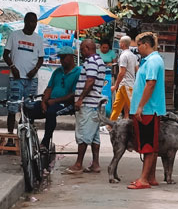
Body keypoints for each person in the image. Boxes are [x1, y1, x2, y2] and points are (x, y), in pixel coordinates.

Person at [128, 31, 168, 190]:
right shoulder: (150, 60)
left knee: (148, 145)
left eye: (138, 45)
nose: (137, 48)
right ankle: (150, 177)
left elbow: (150, 84)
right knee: (148, 144)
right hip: (147, 109)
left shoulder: (153, 61)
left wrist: (140, 107)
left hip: (148, 110)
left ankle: (144, 179)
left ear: (145, 45)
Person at [4, 11, 45, 146]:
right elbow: (6, 54)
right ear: (25, 22)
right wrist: (13, 67)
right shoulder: (14, 35)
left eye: (35, 22)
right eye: (31, 21)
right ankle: (10, 137)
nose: (33, 24)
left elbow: (41, 59)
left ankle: (26, 138)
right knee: (13, 108)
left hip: (31, 80)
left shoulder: (38, 39)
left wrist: (34, 70)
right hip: (15, 78)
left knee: (29, 109)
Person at [31, 44, 80, 155]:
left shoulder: (78, 72)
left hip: (65, 103)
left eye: (64, 57)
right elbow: (49, 88)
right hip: (50, 101)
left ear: (71, 57)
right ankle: (27, 141)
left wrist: (55, 101)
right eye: (60, 57)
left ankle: (45, 142)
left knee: (51, 112)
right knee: (29, 108)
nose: (61, 60)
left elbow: (74, 94)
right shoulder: (57, 71)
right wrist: (44, 101)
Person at [68, 37, 108, 174]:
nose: (81, 52)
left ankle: (78, 164)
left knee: (84, 134)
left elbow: (90, 81)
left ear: (87, 48)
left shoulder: (91, 62)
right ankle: (95, 164)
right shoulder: (100, 61)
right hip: (96, 103)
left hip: (88, 103)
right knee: (95, 136)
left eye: (82, 49)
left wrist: (80, 99)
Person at [111, 35, 138, 122]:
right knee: (117, 105)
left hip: (126, 84)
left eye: (120, 42)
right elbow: (137, 70)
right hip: (127, 84)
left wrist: (115, 85)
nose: (119, 44)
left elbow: (122, 72)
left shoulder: (123, 56)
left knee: (132, 106)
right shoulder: (133, 56)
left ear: (122, 44)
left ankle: (140, 124)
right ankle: (110, 125)